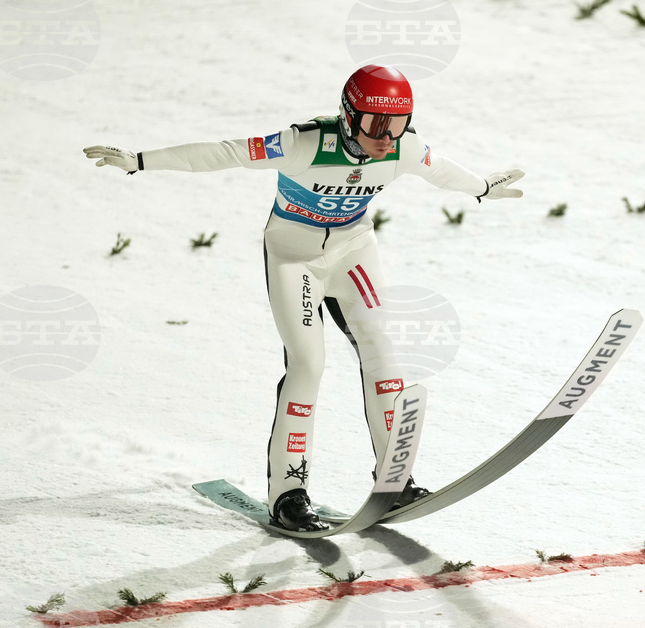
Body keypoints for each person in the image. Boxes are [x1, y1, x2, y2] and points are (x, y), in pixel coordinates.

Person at [84, 65, 524, 532]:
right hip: (295, 257)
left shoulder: (403, 148)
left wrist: (483, 188)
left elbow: (443, 172)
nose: (386, 137)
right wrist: (140, 160)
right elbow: (225, 153)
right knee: (308, 365)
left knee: (383, 358)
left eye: (396, 125)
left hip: (354, 252)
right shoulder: (304, 144)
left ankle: (395, 481)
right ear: (348, 115)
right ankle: (288, 494)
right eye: (376, 124)